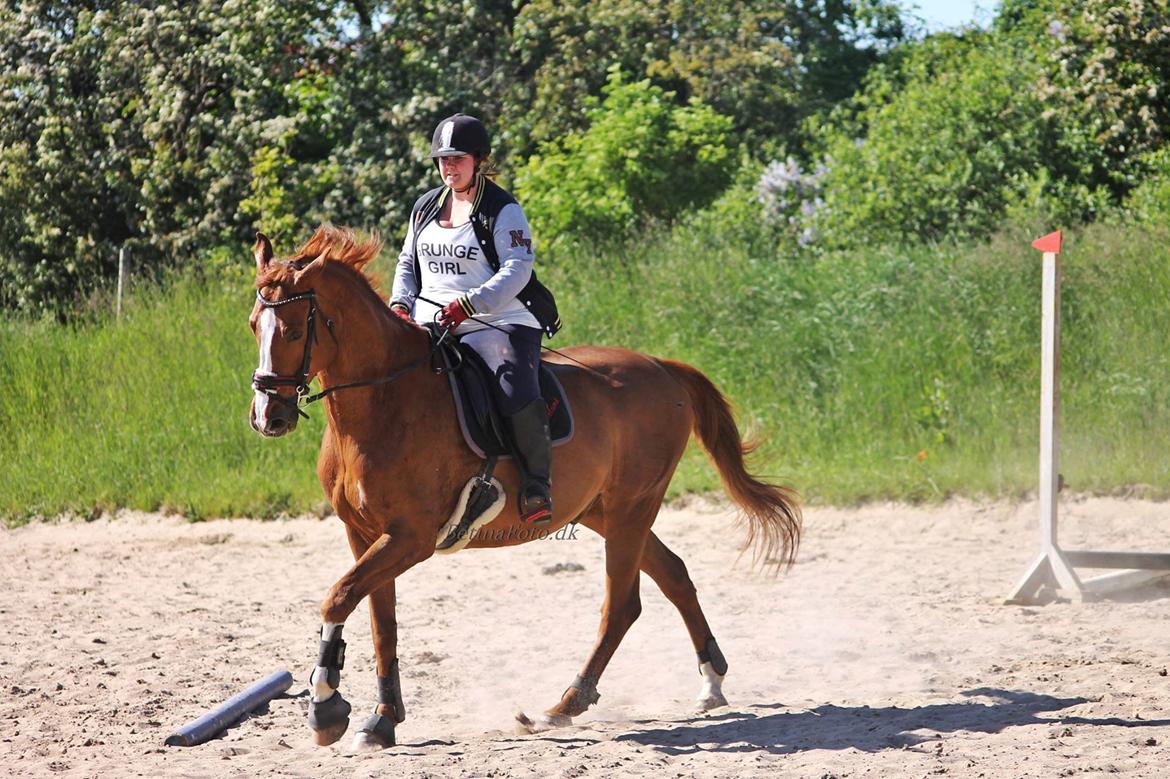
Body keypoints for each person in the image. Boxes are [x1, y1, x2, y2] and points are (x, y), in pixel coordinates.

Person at [389, 113, 560, 525]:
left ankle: (538, 484)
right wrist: (400, 304)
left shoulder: (503, 209)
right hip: (432, 322)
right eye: (443, 159)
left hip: (499, 322)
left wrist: (469, 304)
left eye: (458, 159)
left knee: (513, 389)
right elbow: (408, 262)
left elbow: (517, 269)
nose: (449, 167)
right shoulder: (425, 206)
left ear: (478, 160)